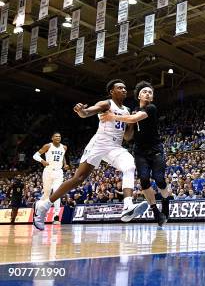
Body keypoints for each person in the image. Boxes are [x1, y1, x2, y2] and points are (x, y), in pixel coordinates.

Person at [32, 79, 148, 231]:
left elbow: (127, 137)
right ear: (112, 92)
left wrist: (131, 123)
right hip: (99, 144)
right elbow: (87, 112)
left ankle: (128, 206)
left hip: (115, 147)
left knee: (130, 166)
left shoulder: (126, 110)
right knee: (78, 179)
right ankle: (44, 206)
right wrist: (81, 111)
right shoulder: (106, 104)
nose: (124, 90)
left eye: (125, 88)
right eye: (120, 88)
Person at [101, 81, 171, 227]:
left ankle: (165, 202)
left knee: (159, 180)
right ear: (139, 95)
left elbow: (133, 118)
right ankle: (156, 212)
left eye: (150, 92)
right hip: (139, 151)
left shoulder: (151, 108)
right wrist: (129, 124)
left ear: (152, 98)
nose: (147, 93)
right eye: (145, 91)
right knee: (144, 181)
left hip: (155, 149)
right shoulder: (132, 111)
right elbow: (127, 137)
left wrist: (113, 117)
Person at [33, 132, 70, 223]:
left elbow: (63, 156)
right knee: (46, 194)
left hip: (58, 171)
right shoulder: (47, 146)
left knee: (57, 191)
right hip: (48, 171)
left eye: (59, 136)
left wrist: (65, 164)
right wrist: (42, 161)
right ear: (52, 138)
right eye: (56, 136)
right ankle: (38, 207)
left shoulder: (64, 147)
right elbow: (35, 155)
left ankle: (56, 216)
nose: (58, 137)